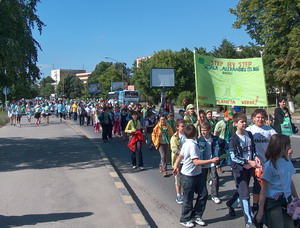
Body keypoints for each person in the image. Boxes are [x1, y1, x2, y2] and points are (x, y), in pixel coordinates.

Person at [172, 125, 219, 227]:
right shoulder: (192, 145)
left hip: (196, 174)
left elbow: (180, 156)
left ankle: (197, 215)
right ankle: (185, 219)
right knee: (188, 198)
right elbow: (196, 162)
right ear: (195, 134)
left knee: (203, 194)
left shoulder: (187, 143)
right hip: (189, 176)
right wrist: (211, 160)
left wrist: (176, 166)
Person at [256, 134, 298, 228]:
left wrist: (297, 199)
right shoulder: (269, 165)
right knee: (277, 225)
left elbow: (290, 182)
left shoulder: (287, 162)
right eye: (288, 145)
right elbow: (264, 189)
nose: (290, 147)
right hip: (273, 202)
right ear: (280, 147)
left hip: (287, 200)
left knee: (290, 225)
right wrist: (260, 211)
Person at [229, 112, 260, 228]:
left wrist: (255, 157)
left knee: (243, 190)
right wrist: (247, 162)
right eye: (242, 121)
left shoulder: (249, 134)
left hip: (250, 168)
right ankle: (249, 221)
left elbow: (253, 149)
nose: (244, 123)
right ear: (235, 124)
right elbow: (233, 157)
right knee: (245, 194)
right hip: (239, 170)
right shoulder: (233, 139)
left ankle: (230, 203)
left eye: (245, 121)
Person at [245, 109, 277, 212]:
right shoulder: (249, 130)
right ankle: (255, 204)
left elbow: (278, 141)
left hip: (267, 162)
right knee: (256, 184)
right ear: (253, 118)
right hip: (254, 163)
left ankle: (266, 202)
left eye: (262, 117)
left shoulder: (270, 130)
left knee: (266, 183)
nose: (260, 119)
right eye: (258, 117)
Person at [198, 122, 222, 204]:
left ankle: (214, 195)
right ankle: (203, 194)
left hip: (213, 161)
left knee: (214, 177)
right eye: (202, 130)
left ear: (209, 130)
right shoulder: (199, 140)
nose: (203, 132)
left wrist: (220, 159)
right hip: (204, 161)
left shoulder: (215, 139)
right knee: (202, 179)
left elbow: (224, 145)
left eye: (205, 130)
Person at [170, 119, 186, 204]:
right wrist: (182, 154)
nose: (184, 128)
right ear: (177, 127)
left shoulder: (188, 135)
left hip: (187, 161)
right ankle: (178, 195)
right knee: (178, 179)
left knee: (186, 179)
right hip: (178, 162)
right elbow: (174, 149)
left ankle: (185, 193)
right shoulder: (174, 137)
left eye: (185, 126)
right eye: (182, 126)